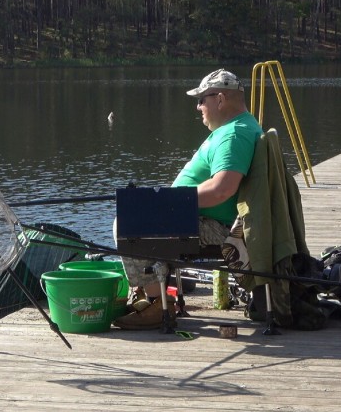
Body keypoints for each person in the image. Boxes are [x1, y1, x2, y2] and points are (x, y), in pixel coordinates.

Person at [113, 68, 264, 330]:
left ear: (220, 99)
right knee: (135, 214)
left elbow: (221, 189)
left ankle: (156, 303)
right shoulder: (237, 127)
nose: (198, 107)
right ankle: (150, 295)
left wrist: (168, 203)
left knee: (129, 222)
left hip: (215, 227)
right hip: (202, 217)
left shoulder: (234, 135)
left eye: (201, 100)